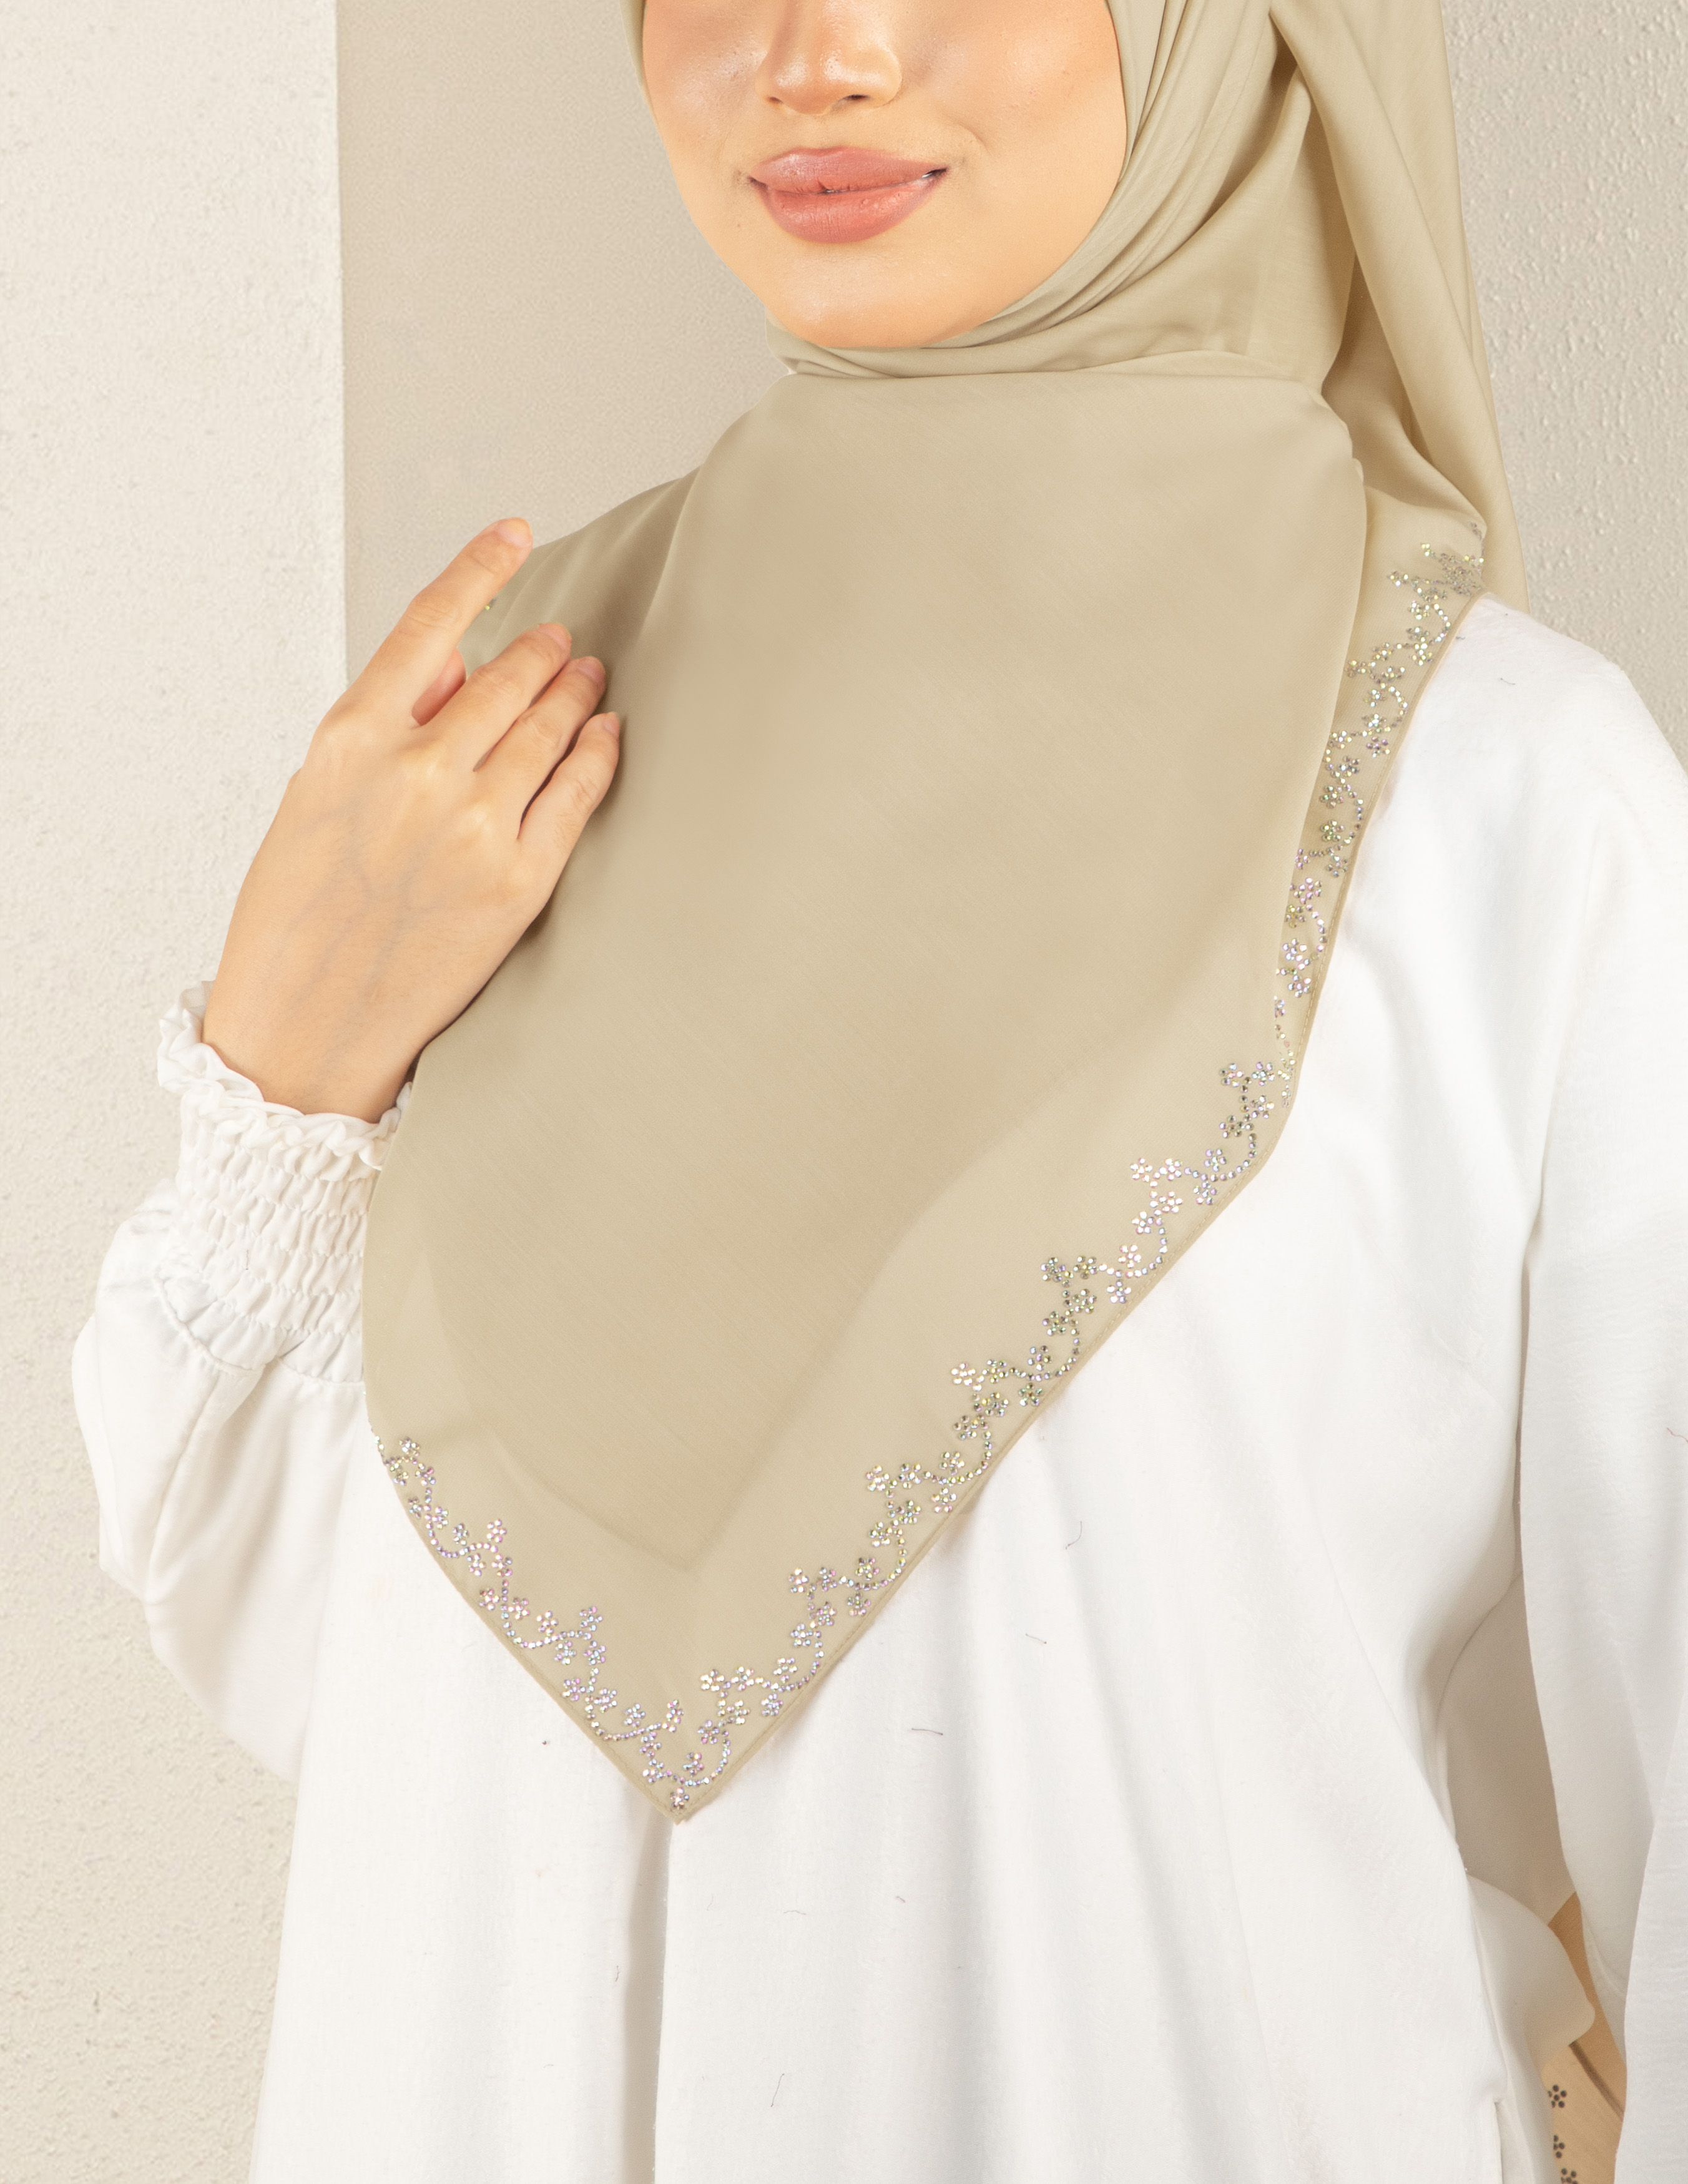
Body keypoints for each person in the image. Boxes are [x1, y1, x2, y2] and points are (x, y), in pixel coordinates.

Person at [74, 0, 1688, 2176]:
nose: (813, 53)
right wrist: (285, 1050)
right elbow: (305, 1638)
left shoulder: (1505, 802)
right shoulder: (492, 752)